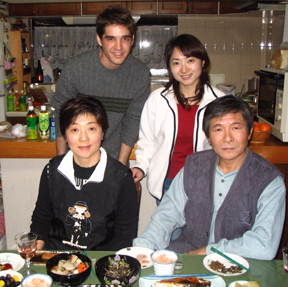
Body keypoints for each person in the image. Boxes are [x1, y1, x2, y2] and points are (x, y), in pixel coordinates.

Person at [133, 95, 286, 260]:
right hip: (189, 259)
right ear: (208, 137)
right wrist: (143, 248)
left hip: (241, 268)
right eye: (218, 129)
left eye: (236, 128)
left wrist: (210, 251)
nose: (227, 138)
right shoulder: (194, 167)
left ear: (249, 132)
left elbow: (264, 246)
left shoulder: (269, 180)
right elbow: (165, 217)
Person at [31, 97, 138, 251]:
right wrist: (35, 250)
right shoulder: (52, 171)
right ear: (65, 136)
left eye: (91, 129)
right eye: (75, 130)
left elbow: (124, 238)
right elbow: (41, 220)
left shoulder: (121, 178)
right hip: (55, 259)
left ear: (102, 133)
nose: (83, 138)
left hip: (99, 263)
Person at [50, 5, 150, 165]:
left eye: (125, 38)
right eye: (111, 38)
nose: (118, 47)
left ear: (132, 39)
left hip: (113, 159)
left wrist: (122, 165)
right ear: (99, 39)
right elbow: (60, 114)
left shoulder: (139, 74)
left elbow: (133, 120)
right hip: (76, 158)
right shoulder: (76, 68)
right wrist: (60, 163)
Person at [131, 34, 225, 203]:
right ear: (170, 67)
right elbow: (147, 141)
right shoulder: (157, 100)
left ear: (202, 62)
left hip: (204, 184)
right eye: (176, 63)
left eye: (190, 60)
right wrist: (140, 166)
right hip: (168, 184)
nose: (183, 69)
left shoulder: (220, 102)